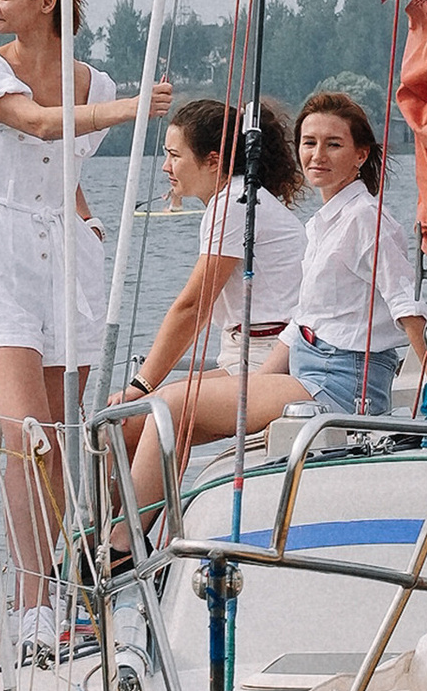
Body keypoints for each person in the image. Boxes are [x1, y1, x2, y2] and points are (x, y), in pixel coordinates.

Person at [0, 0, 165, 617]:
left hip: (65, 259)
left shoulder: (93, 82)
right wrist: (131, 109)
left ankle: (62, 595)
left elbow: (61, 175)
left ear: (46, 3)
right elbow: (40, 127)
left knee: (62, 439)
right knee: (23, 432)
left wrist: (91, 226)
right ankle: (27, 607)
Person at [114, 96, 305, 505]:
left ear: (213, 160)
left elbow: (191, 307)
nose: (166, 167)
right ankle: (116, 537)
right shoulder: (233, 201)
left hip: (274, 361)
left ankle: (122, 546)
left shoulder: (235, 205)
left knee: (157, 408)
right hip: (245, 357)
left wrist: (141, 384)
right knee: (125, 426)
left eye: (174, 156)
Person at [228, 84, 427, 428]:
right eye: (309, 143)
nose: (318, 155)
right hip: (310, 368)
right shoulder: (322, 224)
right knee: (180, 401)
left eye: (333, 144)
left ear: (361, 155)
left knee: (175, 407)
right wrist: (257, 383)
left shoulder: (365, 218)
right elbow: (304, 321)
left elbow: (405, 303)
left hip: (341, 381)